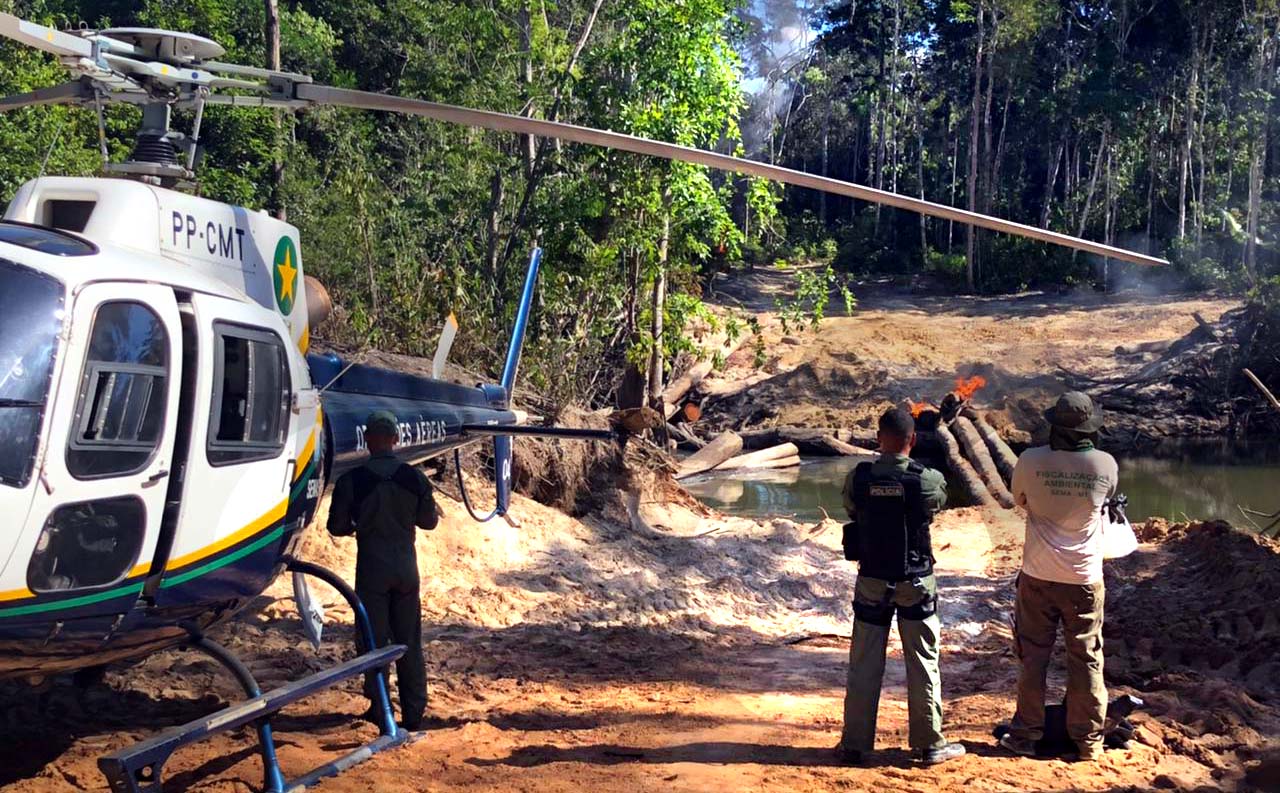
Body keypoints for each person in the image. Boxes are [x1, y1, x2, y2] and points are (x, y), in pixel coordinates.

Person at [835, 407, 966, 766]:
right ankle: (929, 745)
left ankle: (855, 745)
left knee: (863, 663)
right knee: (923, 662)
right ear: (912, 440)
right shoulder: (926, 480)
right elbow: (938, 501)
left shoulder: (859, 478)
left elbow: (851, 509)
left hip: (872, 580)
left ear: (879, 439)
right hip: (915, 580)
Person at [1000, 392, 1118, 761]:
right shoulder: (1104, 465)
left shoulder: (1030, 460)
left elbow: (1020, 500)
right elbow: (1106, 500)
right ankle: (1089, 741)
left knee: (1032, 656)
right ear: (1089, 428)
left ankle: (1025, 736)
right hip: (1084, 577)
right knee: (1086, 657)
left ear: (1054, 424)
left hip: (1037, 575)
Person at [328, 410, 438, 731]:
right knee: (410, 642)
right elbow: (429, 521)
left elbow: (336, 526)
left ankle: (380, 708)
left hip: (372, 569)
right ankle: (414, 713)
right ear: (396, 440)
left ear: (367, 440)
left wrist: (357, 525)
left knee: (374, 643)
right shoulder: (414, 478)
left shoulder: (352, 481)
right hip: (406, 568)